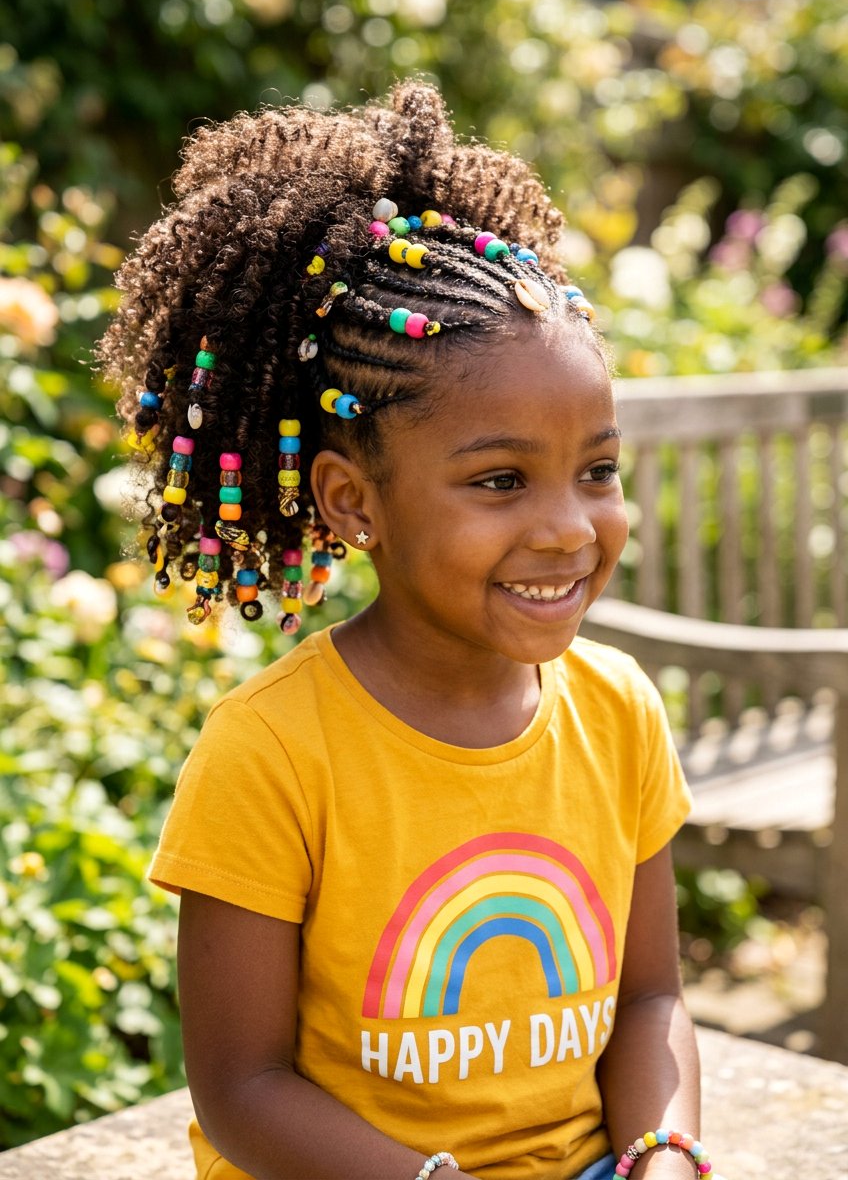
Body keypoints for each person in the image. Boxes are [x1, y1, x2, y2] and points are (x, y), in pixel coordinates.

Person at [97, 80, 718, 1180]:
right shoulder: (272, 751)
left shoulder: (617, 710)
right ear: (352, 503)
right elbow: (241, 1088)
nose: (567, 526)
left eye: (596, 470)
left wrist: (662, 1153)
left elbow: (651, 995)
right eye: (499, 480)